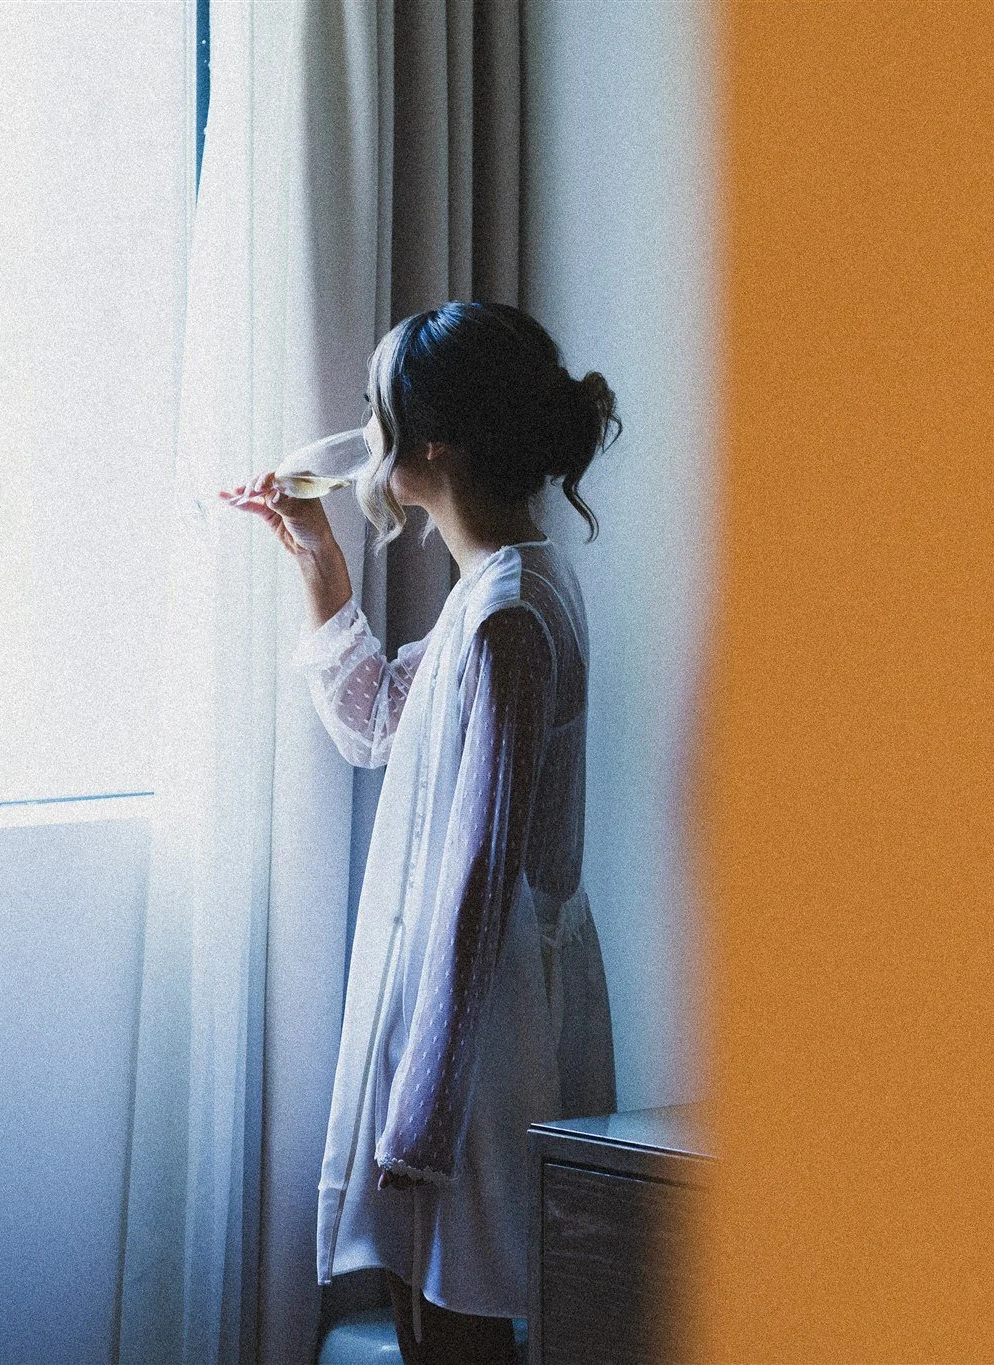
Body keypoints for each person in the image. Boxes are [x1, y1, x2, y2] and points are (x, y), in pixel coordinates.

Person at [224, 301, 622, 1365]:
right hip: (458, 1003)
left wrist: (423, 1117)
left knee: (456, 1319)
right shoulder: (493, 591)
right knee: (428, 1304)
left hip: (484, 1023)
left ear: (432, 441)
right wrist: (316, 558)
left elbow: (481, 881)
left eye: (376, 406)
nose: (363, 426)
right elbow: (374, 725)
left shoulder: (507, 615)